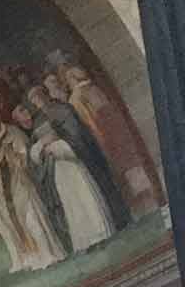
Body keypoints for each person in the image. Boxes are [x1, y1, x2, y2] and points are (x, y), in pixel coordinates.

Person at [0, 109, 66, 271]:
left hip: (20, 185)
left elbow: (25, 154)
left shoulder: (13, 132)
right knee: (11, 227)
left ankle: (48, 254)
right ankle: (27, 258)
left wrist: (17, 158)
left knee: (33, 219)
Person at [12, 104, 116, 254]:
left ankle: (100, 235)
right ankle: (85, 241)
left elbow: (61, 139)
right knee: (72, 205)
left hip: (69, 166)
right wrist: (41, 148)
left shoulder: (45, 121)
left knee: (84, 196)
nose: (26, 115)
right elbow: (35, 158)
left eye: (25, 111)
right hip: (58, 174)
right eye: (22, 115)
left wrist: (51, 147)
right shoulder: (29, 137)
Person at [28, 85, 131, 229]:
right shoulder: (40, 119)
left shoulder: (63, 108)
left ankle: (120, 221)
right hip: (65, 162)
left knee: (102, 186)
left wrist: (60, 144)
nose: (37, 102)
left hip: (82, 153)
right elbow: (39, 142)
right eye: (34, 101)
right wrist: (44, 145)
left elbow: (76, 132)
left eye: (38, 98)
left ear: (45, 95)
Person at [65, 66, 159, 215]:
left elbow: (97, 115)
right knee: (127, 165)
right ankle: (145, 199)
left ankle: (148, 197)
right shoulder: (83, 93)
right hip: (109, 131)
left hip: (111, 130)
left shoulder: (83, 92)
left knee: (129, 162)